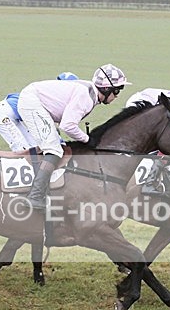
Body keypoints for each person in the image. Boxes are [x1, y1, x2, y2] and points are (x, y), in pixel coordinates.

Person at [17, 64, 130, 210]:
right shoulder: (86, 97)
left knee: (54, 145)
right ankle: (35, 196)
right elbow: (68, 126)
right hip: (32, 103)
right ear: (106, 89)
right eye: (117, 91)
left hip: (36, 101)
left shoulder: (90, 93)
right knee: (54, 150)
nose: (117, 95)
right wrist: (87, 140)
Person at [0, 72, 79, 152]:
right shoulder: (51, 99)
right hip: (3, 114)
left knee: (35, 147)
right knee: (22, 150)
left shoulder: (52, 96)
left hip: (13, 115)